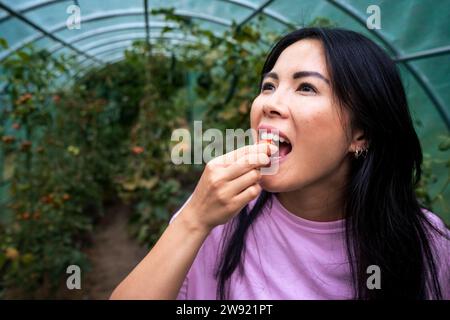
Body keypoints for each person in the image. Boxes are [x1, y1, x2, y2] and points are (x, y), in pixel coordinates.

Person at [110, 27, 450, 300]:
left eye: (305, 87)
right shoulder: (217, 215)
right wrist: (192, 221)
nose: (270, 103)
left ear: (360, 134)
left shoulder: (427, 243)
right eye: (268, 86)